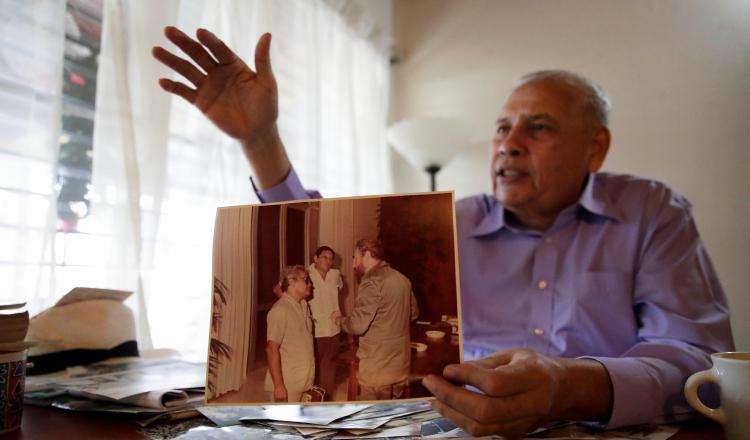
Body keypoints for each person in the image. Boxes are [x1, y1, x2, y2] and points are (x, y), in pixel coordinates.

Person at [152, 27, 735, 436]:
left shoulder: (654, 212)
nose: (508, 142)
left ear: (595, 146)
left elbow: (700, 365)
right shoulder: (455, 220)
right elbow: (308, 226)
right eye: (502, 127)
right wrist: (261, 142)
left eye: (538, 128)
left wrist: (570, 386)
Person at [331, 239, 419, 400]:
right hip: (400, 367)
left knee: (372, 420)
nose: (353, 264)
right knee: (393, 415)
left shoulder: (371, 282)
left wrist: (338, 319)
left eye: (355, 257)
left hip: (377, 370)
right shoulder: (403, 279)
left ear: (367, 254)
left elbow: (357, 326)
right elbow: (413, 314)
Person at [265, 265, 315, 403]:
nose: (310, 284)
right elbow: (271, 349)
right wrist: (279, 386)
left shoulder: (303, 305)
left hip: (303, 382)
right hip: (287, 385)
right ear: (291, 282)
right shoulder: (280, 310)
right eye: (306, 280)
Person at [307, 245, 344, 400]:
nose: (328, 261)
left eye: (331, 259)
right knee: (312, 369)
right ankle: (311, 402)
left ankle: (325, 401)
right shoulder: (305, 274)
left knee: (329, 369)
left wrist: (336, 308)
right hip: (315, 330)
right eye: (324, 257)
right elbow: (280, 290)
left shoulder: (335, 274)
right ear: (315, 258)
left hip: (333, 329)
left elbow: (339, 290)